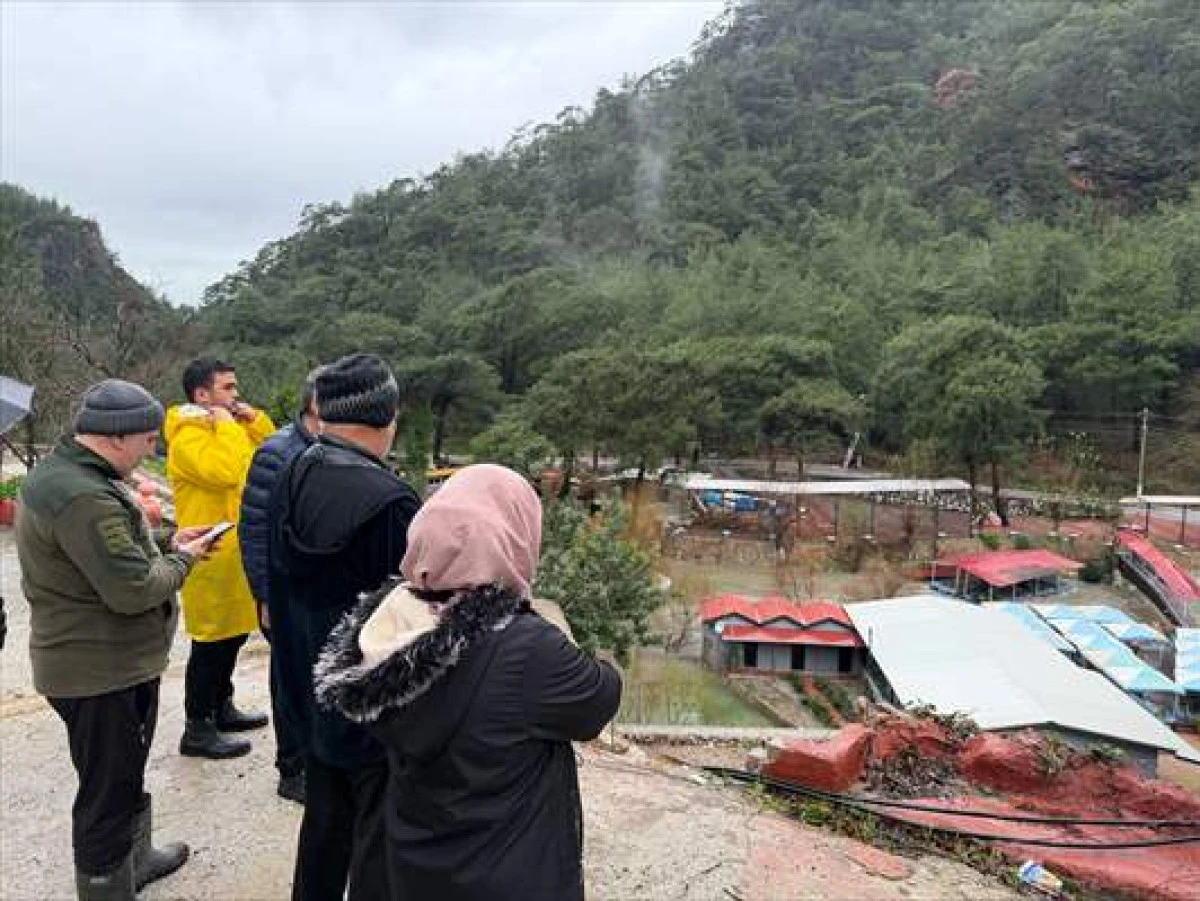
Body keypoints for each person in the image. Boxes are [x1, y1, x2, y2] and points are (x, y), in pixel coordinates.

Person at [315, 464, 622, 901]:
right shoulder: (526, 647)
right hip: (508, 871)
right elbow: (599, 700)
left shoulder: (390, 622)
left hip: (414, 856)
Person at [15, 379, 223, 900]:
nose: (151, 451)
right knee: (107, 792)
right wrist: (185, 560)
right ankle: (107, 886)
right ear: (116, 437)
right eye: (148, 440)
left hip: (103, 664)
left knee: (123, 773)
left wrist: (166, 541)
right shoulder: (85, 496)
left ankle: (137, 859)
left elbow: (101, 555)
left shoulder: (67, 474)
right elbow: (133, 590)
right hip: (99, 672)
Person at [270, 353, 421, 901]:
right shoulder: (391, 503)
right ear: (388, 416)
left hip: (308, 689)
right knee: (375, 842)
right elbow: (408, 618)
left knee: (324, 825)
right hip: (369, 708)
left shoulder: (293, 471)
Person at [165, 358, 275, 759]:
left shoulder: (224, 429)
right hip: (208, 554)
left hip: (236, 552)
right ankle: (198, 726)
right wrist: (228, 427)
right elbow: (227, 471)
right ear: (202, 394)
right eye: (227, 388)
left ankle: (222, 705)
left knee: (234, 636)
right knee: (210, 643)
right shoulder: (188, 437)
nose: (236, 395)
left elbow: (269, 451)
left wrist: (253, 420)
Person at [238, 367, 322, 804]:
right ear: (315, 405)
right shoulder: (278, 452)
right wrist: (265, 596)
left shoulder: (331, 447)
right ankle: (292, 768)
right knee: (289, 680)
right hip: (283, 592)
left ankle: (316, 759)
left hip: (315, 590)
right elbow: (254, 530)